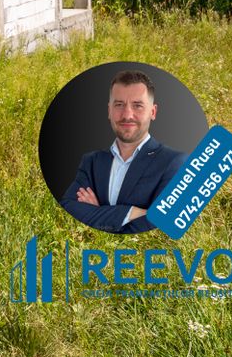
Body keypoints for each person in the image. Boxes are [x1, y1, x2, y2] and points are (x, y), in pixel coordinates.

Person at [59, 70, 186, 234]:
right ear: (109, 111)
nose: (127, 115)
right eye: (119, 105)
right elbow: (67, 208)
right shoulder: (91, 161)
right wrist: (131, 212)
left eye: (138, 106)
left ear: (153, 112)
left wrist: (98, 214)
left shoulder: (175, 162)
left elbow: (160, 228)